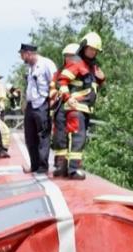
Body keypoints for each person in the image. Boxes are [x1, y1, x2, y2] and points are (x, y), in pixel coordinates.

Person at [52, 32, 106, 180]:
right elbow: (61, 81)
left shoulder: (92, 66)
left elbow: (92, 83)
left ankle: (66, 168)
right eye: (90, 49)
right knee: (77, 138)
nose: (93, 52)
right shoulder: (76, 62)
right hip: (76, 107)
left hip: (85, 108)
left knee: (77, 138)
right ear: (83, 47)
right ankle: (73, 170)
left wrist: (102, 79)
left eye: (95, 50)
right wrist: (68, 98)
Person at [19, 43, 56, 173]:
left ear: (29, 53)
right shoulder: (30, 67)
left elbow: (55, 83)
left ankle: (42, 166)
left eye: (23, 55)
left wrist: (51, 104)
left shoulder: (46, 64)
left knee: (43, 136)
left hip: (42, 104)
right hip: (31, 105)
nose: (22, 58)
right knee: (30, 136)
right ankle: (34, 165)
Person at [49, 43, 81, 177]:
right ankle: (60, 165)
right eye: (67, 56)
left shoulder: (80, 71)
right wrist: (57, 94)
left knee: (74, 136)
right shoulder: (58, 73)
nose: (69, 59)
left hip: (74, 107)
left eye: (71, 56)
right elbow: (52, 89)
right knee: (59, 137)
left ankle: (72, 167)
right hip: (60, 107)